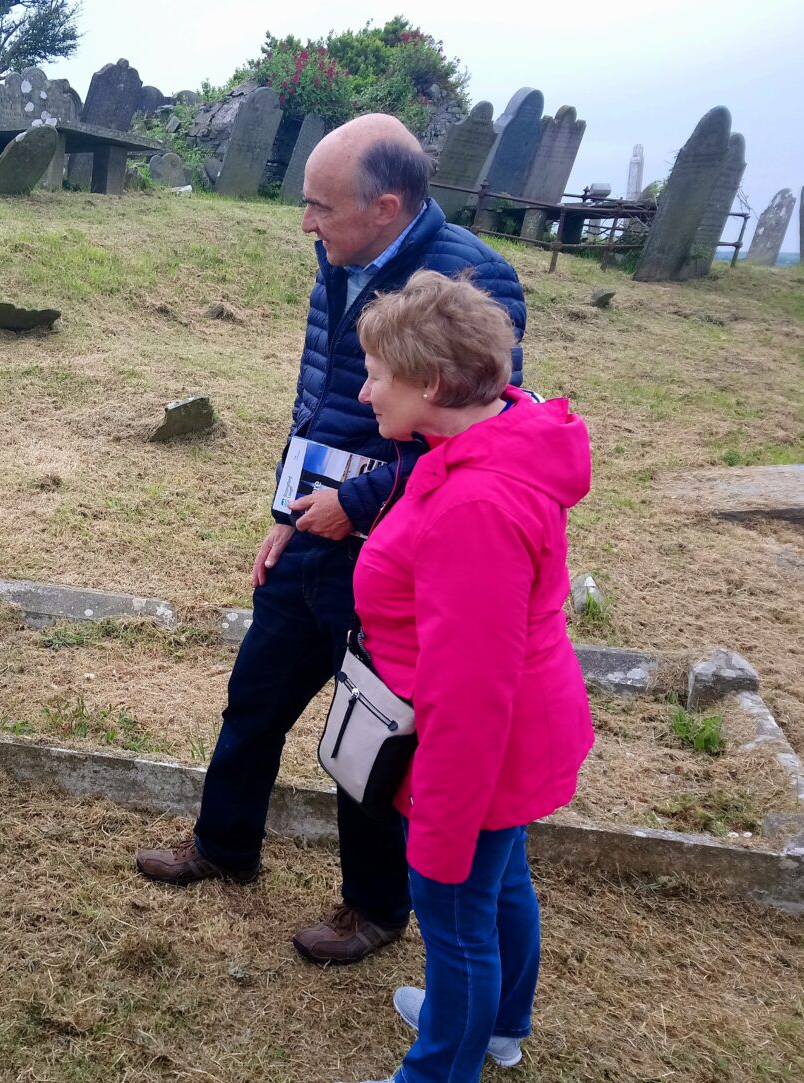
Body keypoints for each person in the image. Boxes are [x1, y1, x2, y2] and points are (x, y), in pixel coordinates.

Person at [134, 113, 528, 965]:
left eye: (320, 207)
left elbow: (482, 436)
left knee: (373, 733)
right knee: (256, 696)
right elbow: (319, 396)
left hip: (399, 551)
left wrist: (360, 500)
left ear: (385, 206)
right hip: (314, 529)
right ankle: (225, 844)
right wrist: (288, 513)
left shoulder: (472, 277)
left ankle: (374, 906)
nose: (305, 224)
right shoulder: (341, 258)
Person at [347, 268, 593, 1082]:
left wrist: (442, 818)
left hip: (484, 740)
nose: (365, 388)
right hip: (523, 722)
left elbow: (471, 686)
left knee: (454, 910)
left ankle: (440, 1068)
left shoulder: (475, 507)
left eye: (378, 372)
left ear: (430, 382)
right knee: (500, 882)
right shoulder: (495, 433)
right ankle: (498, 1023)